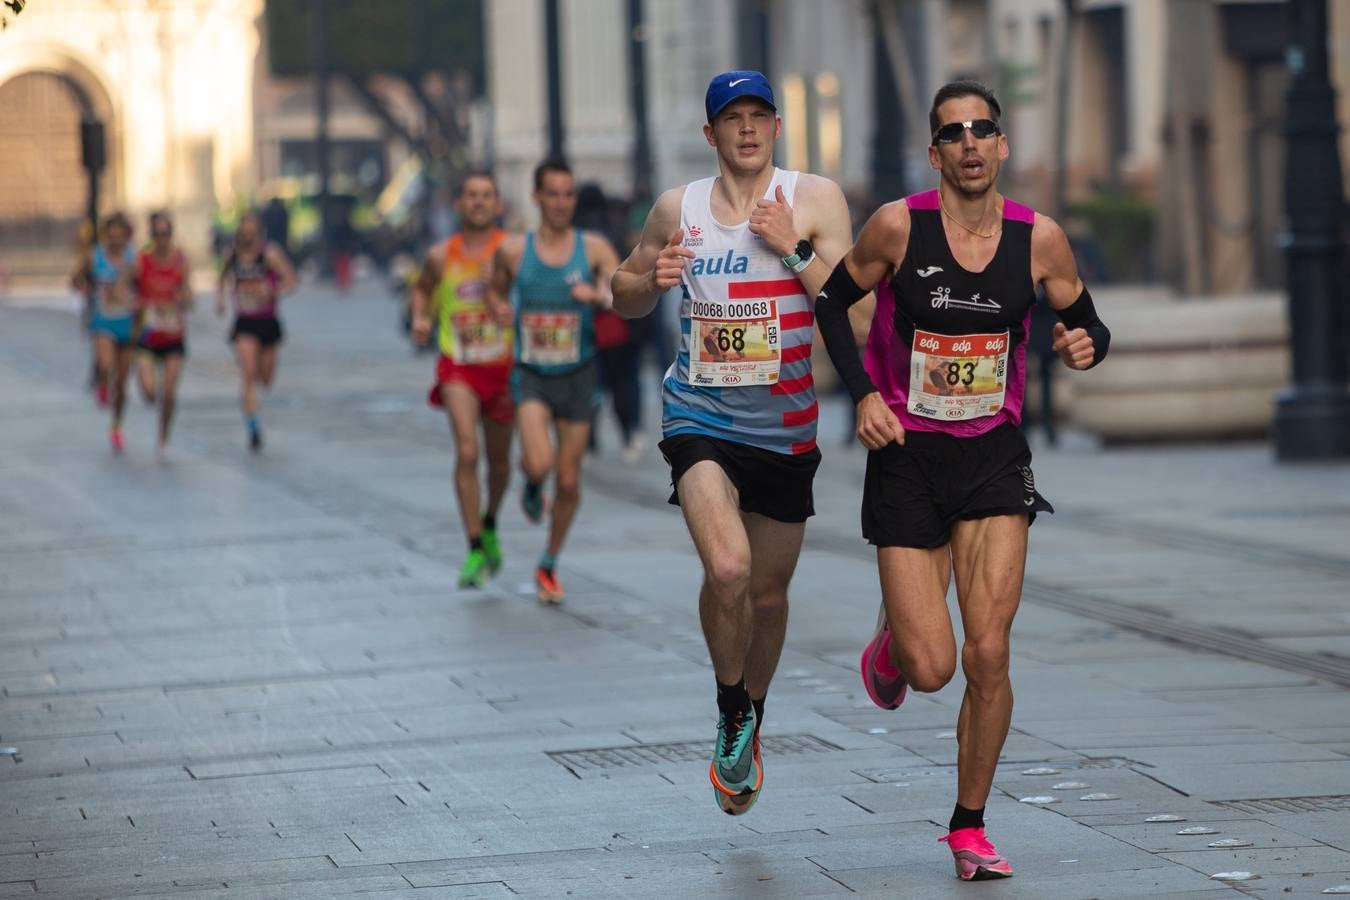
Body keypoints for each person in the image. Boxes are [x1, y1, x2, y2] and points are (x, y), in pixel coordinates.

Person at [813, 80, 1111, 880]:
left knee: (987, 652)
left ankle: (969, 825)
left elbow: (1087, 320)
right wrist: (866, 396)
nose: (971, 143)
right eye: (955, 133)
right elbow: (831, 303)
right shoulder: (897, 228)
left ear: (1002, 145)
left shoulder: (1038, 238)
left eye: (983, 129)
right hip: (907, 456)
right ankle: (893, 633)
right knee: (932, 667)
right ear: (936, 151)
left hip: (993, 457)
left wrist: (1086, 345)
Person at [611, 71, 854, 815]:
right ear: (710, 133)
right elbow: (622, 291)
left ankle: (753, 708)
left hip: (784, 429)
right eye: (731, 118)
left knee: (771, 598)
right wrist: (651, 278)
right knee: (728, 567)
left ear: (775, 128)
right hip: (701, 418)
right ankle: (729, 708)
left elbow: (857, 306)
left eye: (758, 116)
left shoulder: (814, 200)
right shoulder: (676, 210)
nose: (746, 129)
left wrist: (793, 250)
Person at [487, 159, 620, 604]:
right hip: (533, 375)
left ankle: (549, 562)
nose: (562, 202)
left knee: (567, 481)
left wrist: (598, 296)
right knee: (541, 464)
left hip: (579, 375)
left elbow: (623, 291)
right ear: (537, 197)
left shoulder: (595, 248)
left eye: (568, 194)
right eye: (553, 193)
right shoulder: (512, 250)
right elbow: (494, 287)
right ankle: (529, 482)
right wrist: (500, 307)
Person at [410, 172, 513, 589]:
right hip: (459, 363)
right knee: (468, 450)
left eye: (486, 195)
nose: (478, 202)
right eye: (471, 195)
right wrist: (420, 317)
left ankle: (489, 522)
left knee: (500, 461)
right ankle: (473, 546)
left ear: (497, 204)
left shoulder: (510, 251)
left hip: (503, 365)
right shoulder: (440, 255)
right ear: (459, 204)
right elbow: (421, 289)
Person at [217, 211, 298, 452]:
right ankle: (252, 425)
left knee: (266, 379)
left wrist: (273, 291)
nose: (248, 237)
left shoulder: (269, 254)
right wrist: (221, 301)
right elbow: (222, 278)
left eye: (252, 232)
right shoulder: (232, 255)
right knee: (248, 373)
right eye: (244, 232)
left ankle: (253, 407)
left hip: (268, 322)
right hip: (244, 322)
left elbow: (292, 281)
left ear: (260, 232)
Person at [134, 212, 193, 459]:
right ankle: (146, 391)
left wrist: (181, 299)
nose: (161, 239)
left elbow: (190, 297)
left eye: (165, 234)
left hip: (173, 336)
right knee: (150, 394)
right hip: (147, 335)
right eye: (157, 235)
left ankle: (163, 435)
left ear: (171, 235)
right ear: (151, 236)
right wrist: (136, 303)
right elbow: (126, 288)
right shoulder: (141, 261)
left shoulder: (181, 261)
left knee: (169, 393)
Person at [87, 212, 138, 452]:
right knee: (107, 365)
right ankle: (102, 382)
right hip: (103, 322)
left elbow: (143, 285)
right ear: (106, 235)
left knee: (124, 383)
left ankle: (117, 426)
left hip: (127, 324)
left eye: (120, 236)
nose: (116, 240)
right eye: (111, 235)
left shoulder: (134, 258)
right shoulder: (95, 256)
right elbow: (78, 280)